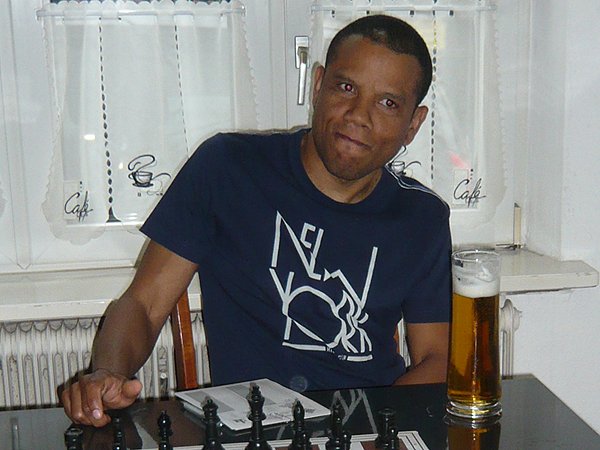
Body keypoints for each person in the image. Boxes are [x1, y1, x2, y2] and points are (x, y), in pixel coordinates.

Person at [61, 14, 451, 427]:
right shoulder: (228, 169)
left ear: (413, 124)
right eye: (346, 87)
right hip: (249, 429)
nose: (359, 115)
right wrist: (107, 372)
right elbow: (144, 303)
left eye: (388, 103)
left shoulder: (421, 217)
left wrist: (376, 431)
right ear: (318, 85)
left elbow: (437, 357)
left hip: (367, 428)